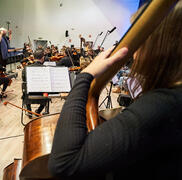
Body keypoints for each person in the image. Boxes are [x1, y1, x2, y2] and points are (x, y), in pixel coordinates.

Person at [49, 2, 182, 180]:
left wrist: (85, 75)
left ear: (160, 45)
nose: (133, 52)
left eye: (139, 40)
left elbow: (64, 162)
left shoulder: (163, 105)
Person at [22, 49, 48, 118]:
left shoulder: (26, 68)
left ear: (33, 57)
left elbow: (24, 80)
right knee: (47, 93)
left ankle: (29, 112)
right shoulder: (45, 68)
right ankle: (38, 112)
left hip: (29, 94)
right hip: (42, 95)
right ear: (42, 58)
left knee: (25, 88)